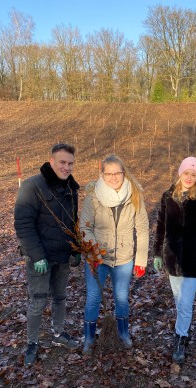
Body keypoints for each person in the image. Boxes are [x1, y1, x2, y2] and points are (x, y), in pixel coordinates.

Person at [14, 143, 81, 366]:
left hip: (62, 256)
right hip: (40, 258)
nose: (66, 167)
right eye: (62, 162)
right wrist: (36, 255)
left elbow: (73, 221)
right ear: (51, 161)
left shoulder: (72, 188)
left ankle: (58, 333)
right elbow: (23, 223)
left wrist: (76, 248)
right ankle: (32, 342)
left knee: (60, 297)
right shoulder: (33, 186)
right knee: (38, 300)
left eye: (70, 163)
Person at [153, 156, 196, 364]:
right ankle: (183, 329)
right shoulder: (168, 195)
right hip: (172, 256)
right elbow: (160, 226)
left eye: (194, 175)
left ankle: (180, 339)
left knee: (185, 303)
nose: (190, 178)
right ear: (180, 173)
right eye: (187, 173)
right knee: (179, 301)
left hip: (194, 256)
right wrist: (157, 252)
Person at [79, 154, 149, 353]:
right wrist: (95, 252)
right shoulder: (93, 196)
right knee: (93, 297)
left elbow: (142, 227)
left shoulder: (134, 194)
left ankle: (123, 333)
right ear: (102, 174)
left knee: (121, 297)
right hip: (97, 259)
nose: (113, 177)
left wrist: (141, 259)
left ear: (123, 172)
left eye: (117, 173)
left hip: (124, 259)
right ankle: (89, 338)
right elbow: (85, 227)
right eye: (108, 174)